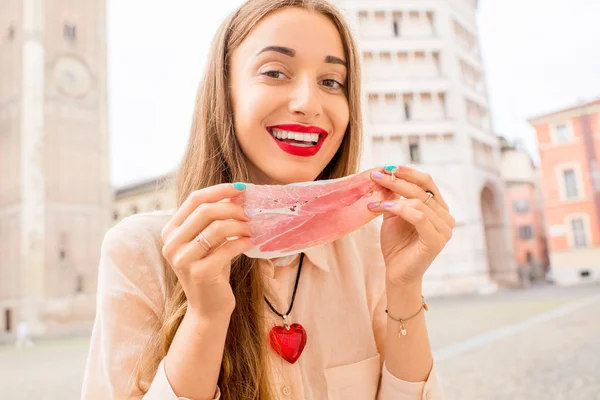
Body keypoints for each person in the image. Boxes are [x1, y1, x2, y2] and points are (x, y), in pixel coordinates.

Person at [81, 0, 455, 399]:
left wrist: (404, 285)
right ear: (224, 92)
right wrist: (206, 318)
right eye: (275, 72)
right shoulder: (139, 252)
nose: (309, 103)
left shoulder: (370, 247)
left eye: (332, 81)